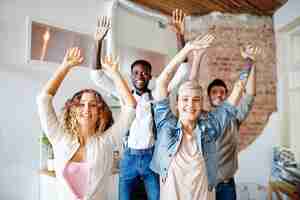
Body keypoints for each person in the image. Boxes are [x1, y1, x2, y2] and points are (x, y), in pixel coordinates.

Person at [89, 11, 190, 200]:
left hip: (152, 157)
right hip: (128, 158)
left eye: (144, 73)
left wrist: (180, 35)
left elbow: (184, 70)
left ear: (151, 76)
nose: (140, 76)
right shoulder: (124, 95)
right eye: (135, 73)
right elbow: (97, 76)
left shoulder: (159, 95)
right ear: (131, 75)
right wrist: (97, 42)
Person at [150, 33, 260, 200]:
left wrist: (249, 61)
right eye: (185, 100)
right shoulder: (166, 125)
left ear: (201, 103)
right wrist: (188, 49)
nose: (190, 104)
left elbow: (239, 89)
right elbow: (163, 81)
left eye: (196, 100)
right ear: (177, 102)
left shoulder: (210, 127)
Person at [36, 45, 136, 200]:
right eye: (81, 104)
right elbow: (44, 99)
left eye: (93, 105)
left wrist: (115, 74)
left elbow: (130, 107)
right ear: (74, 110)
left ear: (100, 112)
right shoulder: (59, 138)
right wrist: (65, 67)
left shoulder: (107, 141)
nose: (87, 108)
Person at [206, 46, 259, 200]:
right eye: (214, 92)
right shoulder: (202, 119)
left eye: (222, 92)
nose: (219, 95)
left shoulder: (234, 117)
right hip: (205, 184)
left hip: (226, 186)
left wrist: (252, 62)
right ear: (209, 97)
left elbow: (249, 94)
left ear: (227, 96)